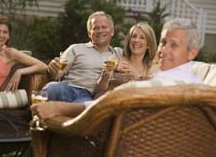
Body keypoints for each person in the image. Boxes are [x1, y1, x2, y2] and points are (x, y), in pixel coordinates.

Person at [31, 17, 202, 120]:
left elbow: (108, 103)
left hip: (125, 127)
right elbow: (100, 96)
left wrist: (59, 108)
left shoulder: (163, 78)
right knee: (53, 89)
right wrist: (106, 76)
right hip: (116, 118)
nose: (164, 50)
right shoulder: (118, 58)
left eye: (174, 45)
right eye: (164, 43)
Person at [42, 11, 116, 102]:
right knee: (51, 88)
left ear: (112, 31)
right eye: (95, 28)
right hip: (67, 87)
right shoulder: (76, 48)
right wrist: (53, 71)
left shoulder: (117, 54)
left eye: (104, 27)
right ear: (89, 33)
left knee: (83, 108)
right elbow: (57, 75)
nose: (100, 31)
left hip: (88, 95)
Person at [95, 22, 158, 96]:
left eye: (142, 37)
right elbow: (98, 91)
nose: (136, 40)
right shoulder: (116, 60)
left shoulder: (151, 68)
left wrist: (134, 76)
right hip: (109, 101)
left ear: (148, 45)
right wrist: (105, 75)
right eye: (134, 36)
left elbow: (151, 94)